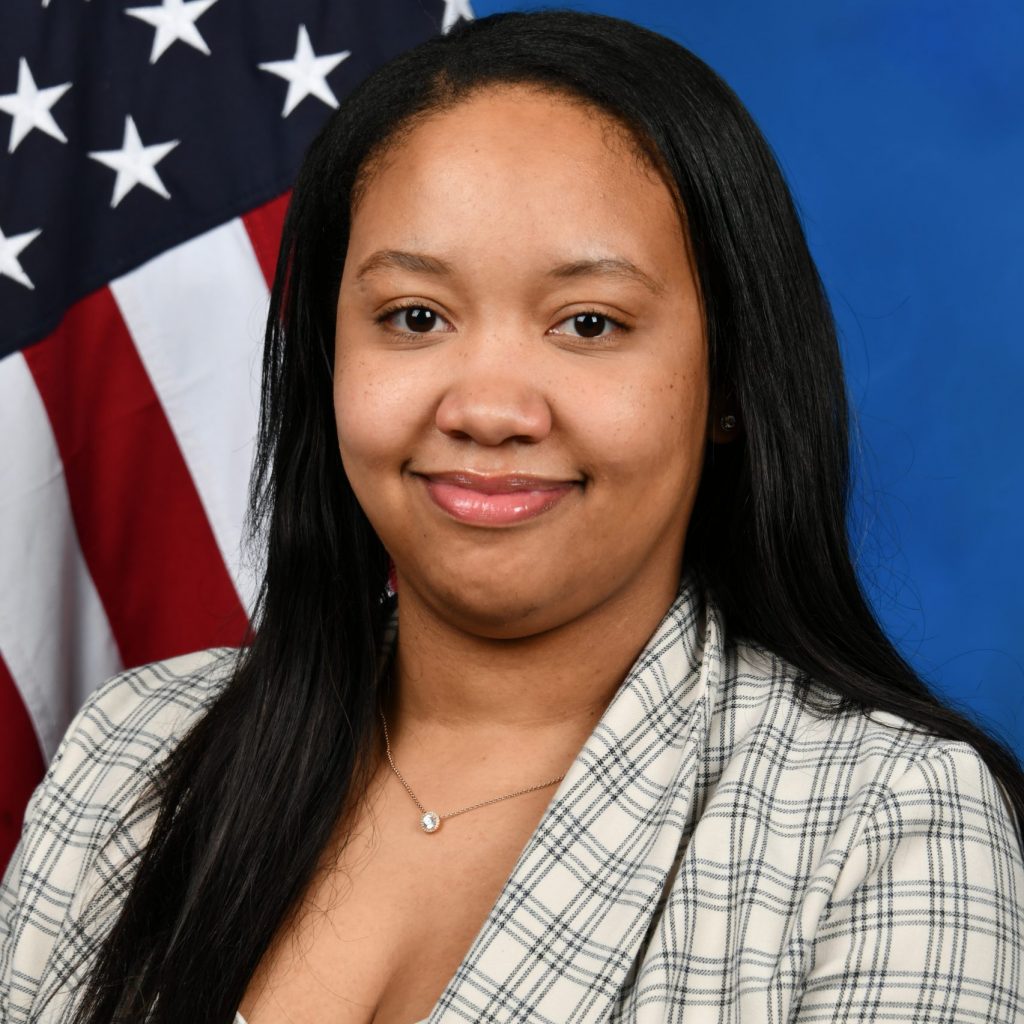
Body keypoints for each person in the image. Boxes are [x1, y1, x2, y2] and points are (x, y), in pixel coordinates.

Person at [2, 9, 1023, 1023]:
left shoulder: (885, 820)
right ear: (325, 358)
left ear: (727, 383)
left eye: (588, 323)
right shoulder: (132, 756)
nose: (487, 408)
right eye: (414, 317)